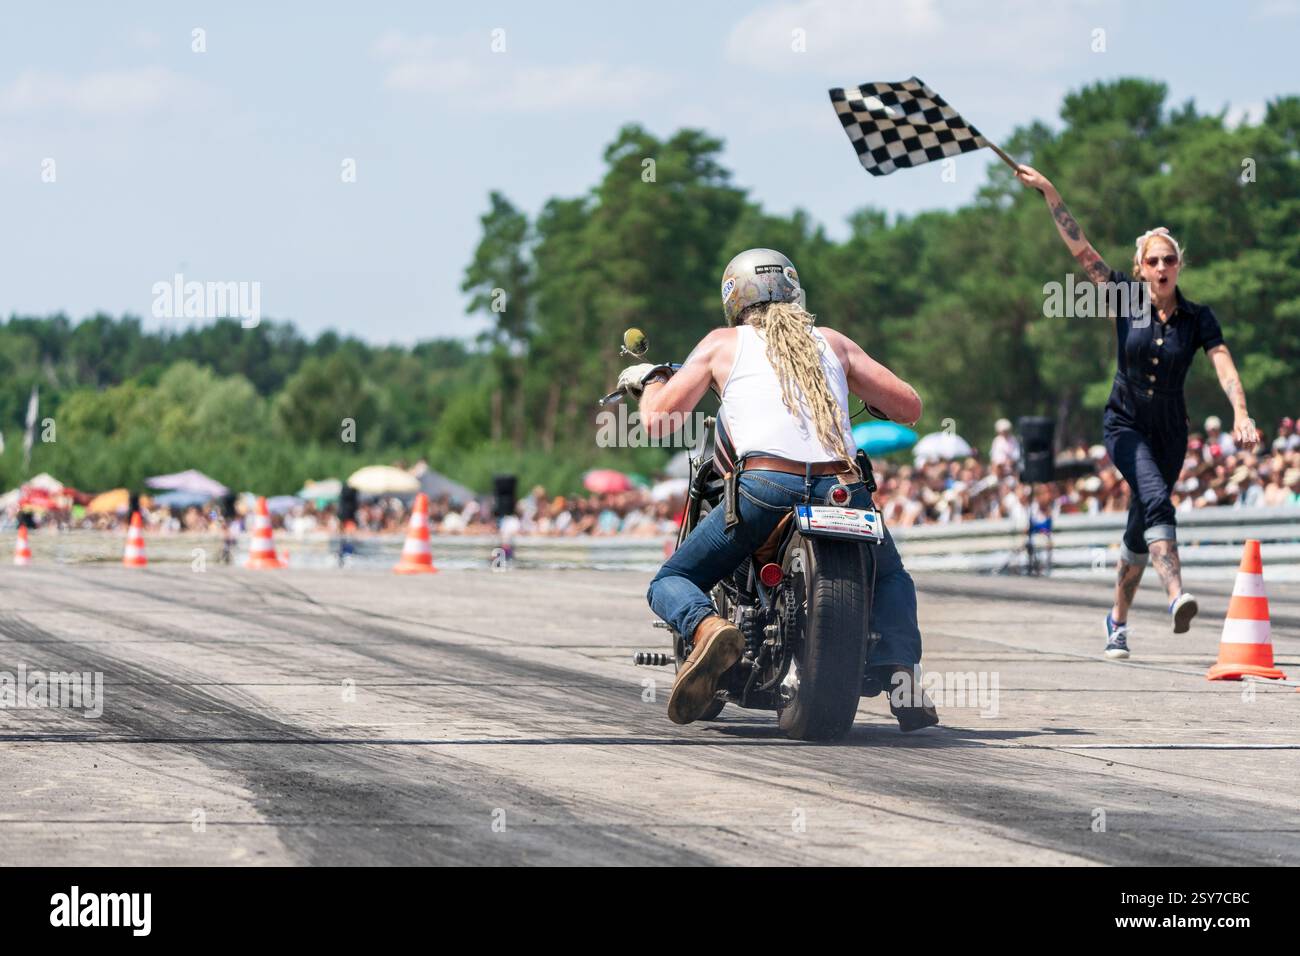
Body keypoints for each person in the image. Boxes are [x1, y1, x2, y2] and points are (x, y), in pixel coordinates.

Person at [618, 248, 937, 731]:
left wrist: (651, 382)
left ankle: (709, 630)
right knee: (890, 576)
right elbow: (910, 406)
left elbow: (660, 421)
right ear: (793, 290)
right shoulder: (832, 342)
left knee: (668, 582)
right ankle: (903, 676)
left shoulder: (721, 344)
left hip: (766, 486)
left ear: (734, 300)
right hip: (842, 487)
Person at [1017, 165, 1260, 660]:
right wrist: (1049, 191)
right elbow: (1082, 251)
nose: (1163, 267)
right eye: (1154, 260)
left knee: (1138, 526)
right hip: (1124, 424)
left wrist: (1241, 411)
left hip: (1171, 432)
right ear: (1141, 266)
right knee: (1157, 502)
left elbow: (1223, 362)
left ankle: (1117, 621)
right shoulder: (1124, 296)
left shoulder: (1198, 318)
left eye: (1170, 259)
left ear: (1179, 266)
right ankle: (1177, 597)